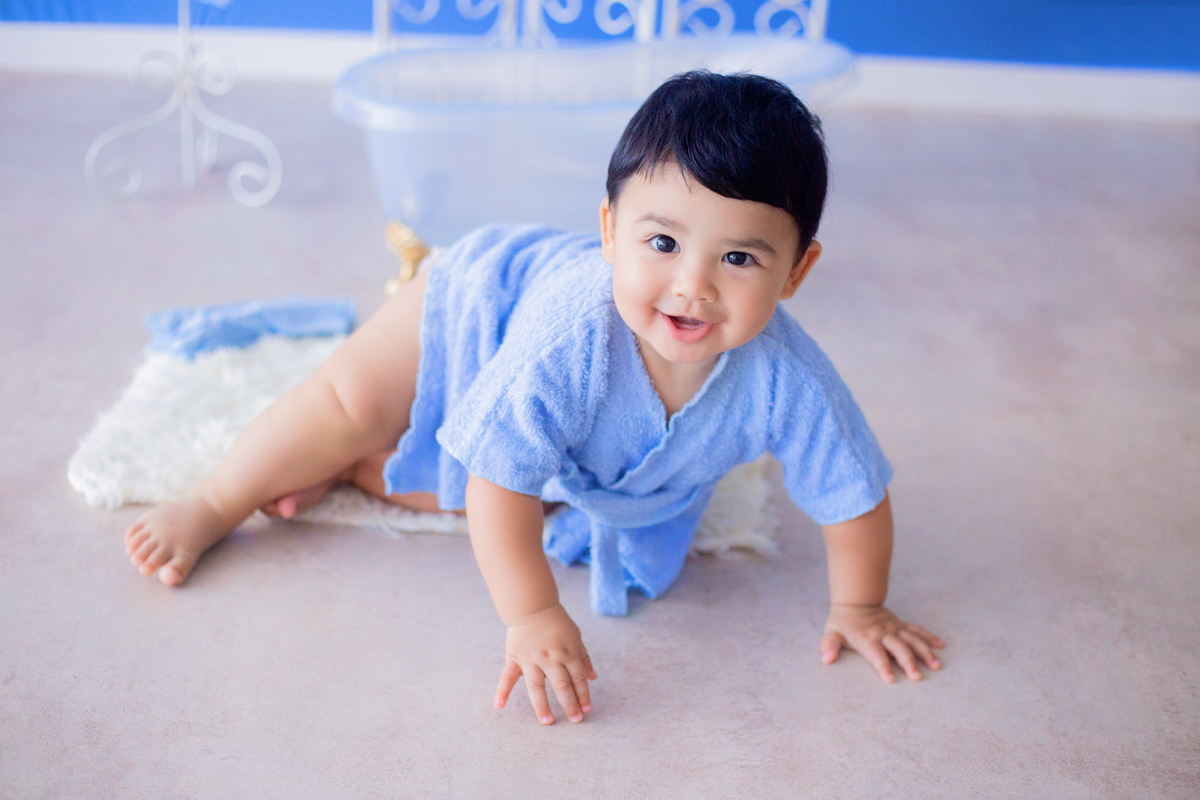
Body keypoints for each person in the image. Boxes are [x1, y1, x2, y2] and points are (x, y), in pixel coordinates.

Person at [123, 70, 944, 726]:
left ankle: (349, 471)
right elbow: (496, 477)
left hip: (577, 443)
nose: (691, 286)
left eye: (739, 259)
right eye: (662, 242)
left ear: (797, 271)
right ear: (611, 231)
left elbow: (853, 493)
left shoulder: (788, 377)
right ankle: (217, 498)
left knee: (509, 503)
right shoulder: (571, 336)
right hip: (478, 305)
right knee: (351, 404)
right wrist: (532, 614)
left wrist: (862, 606)